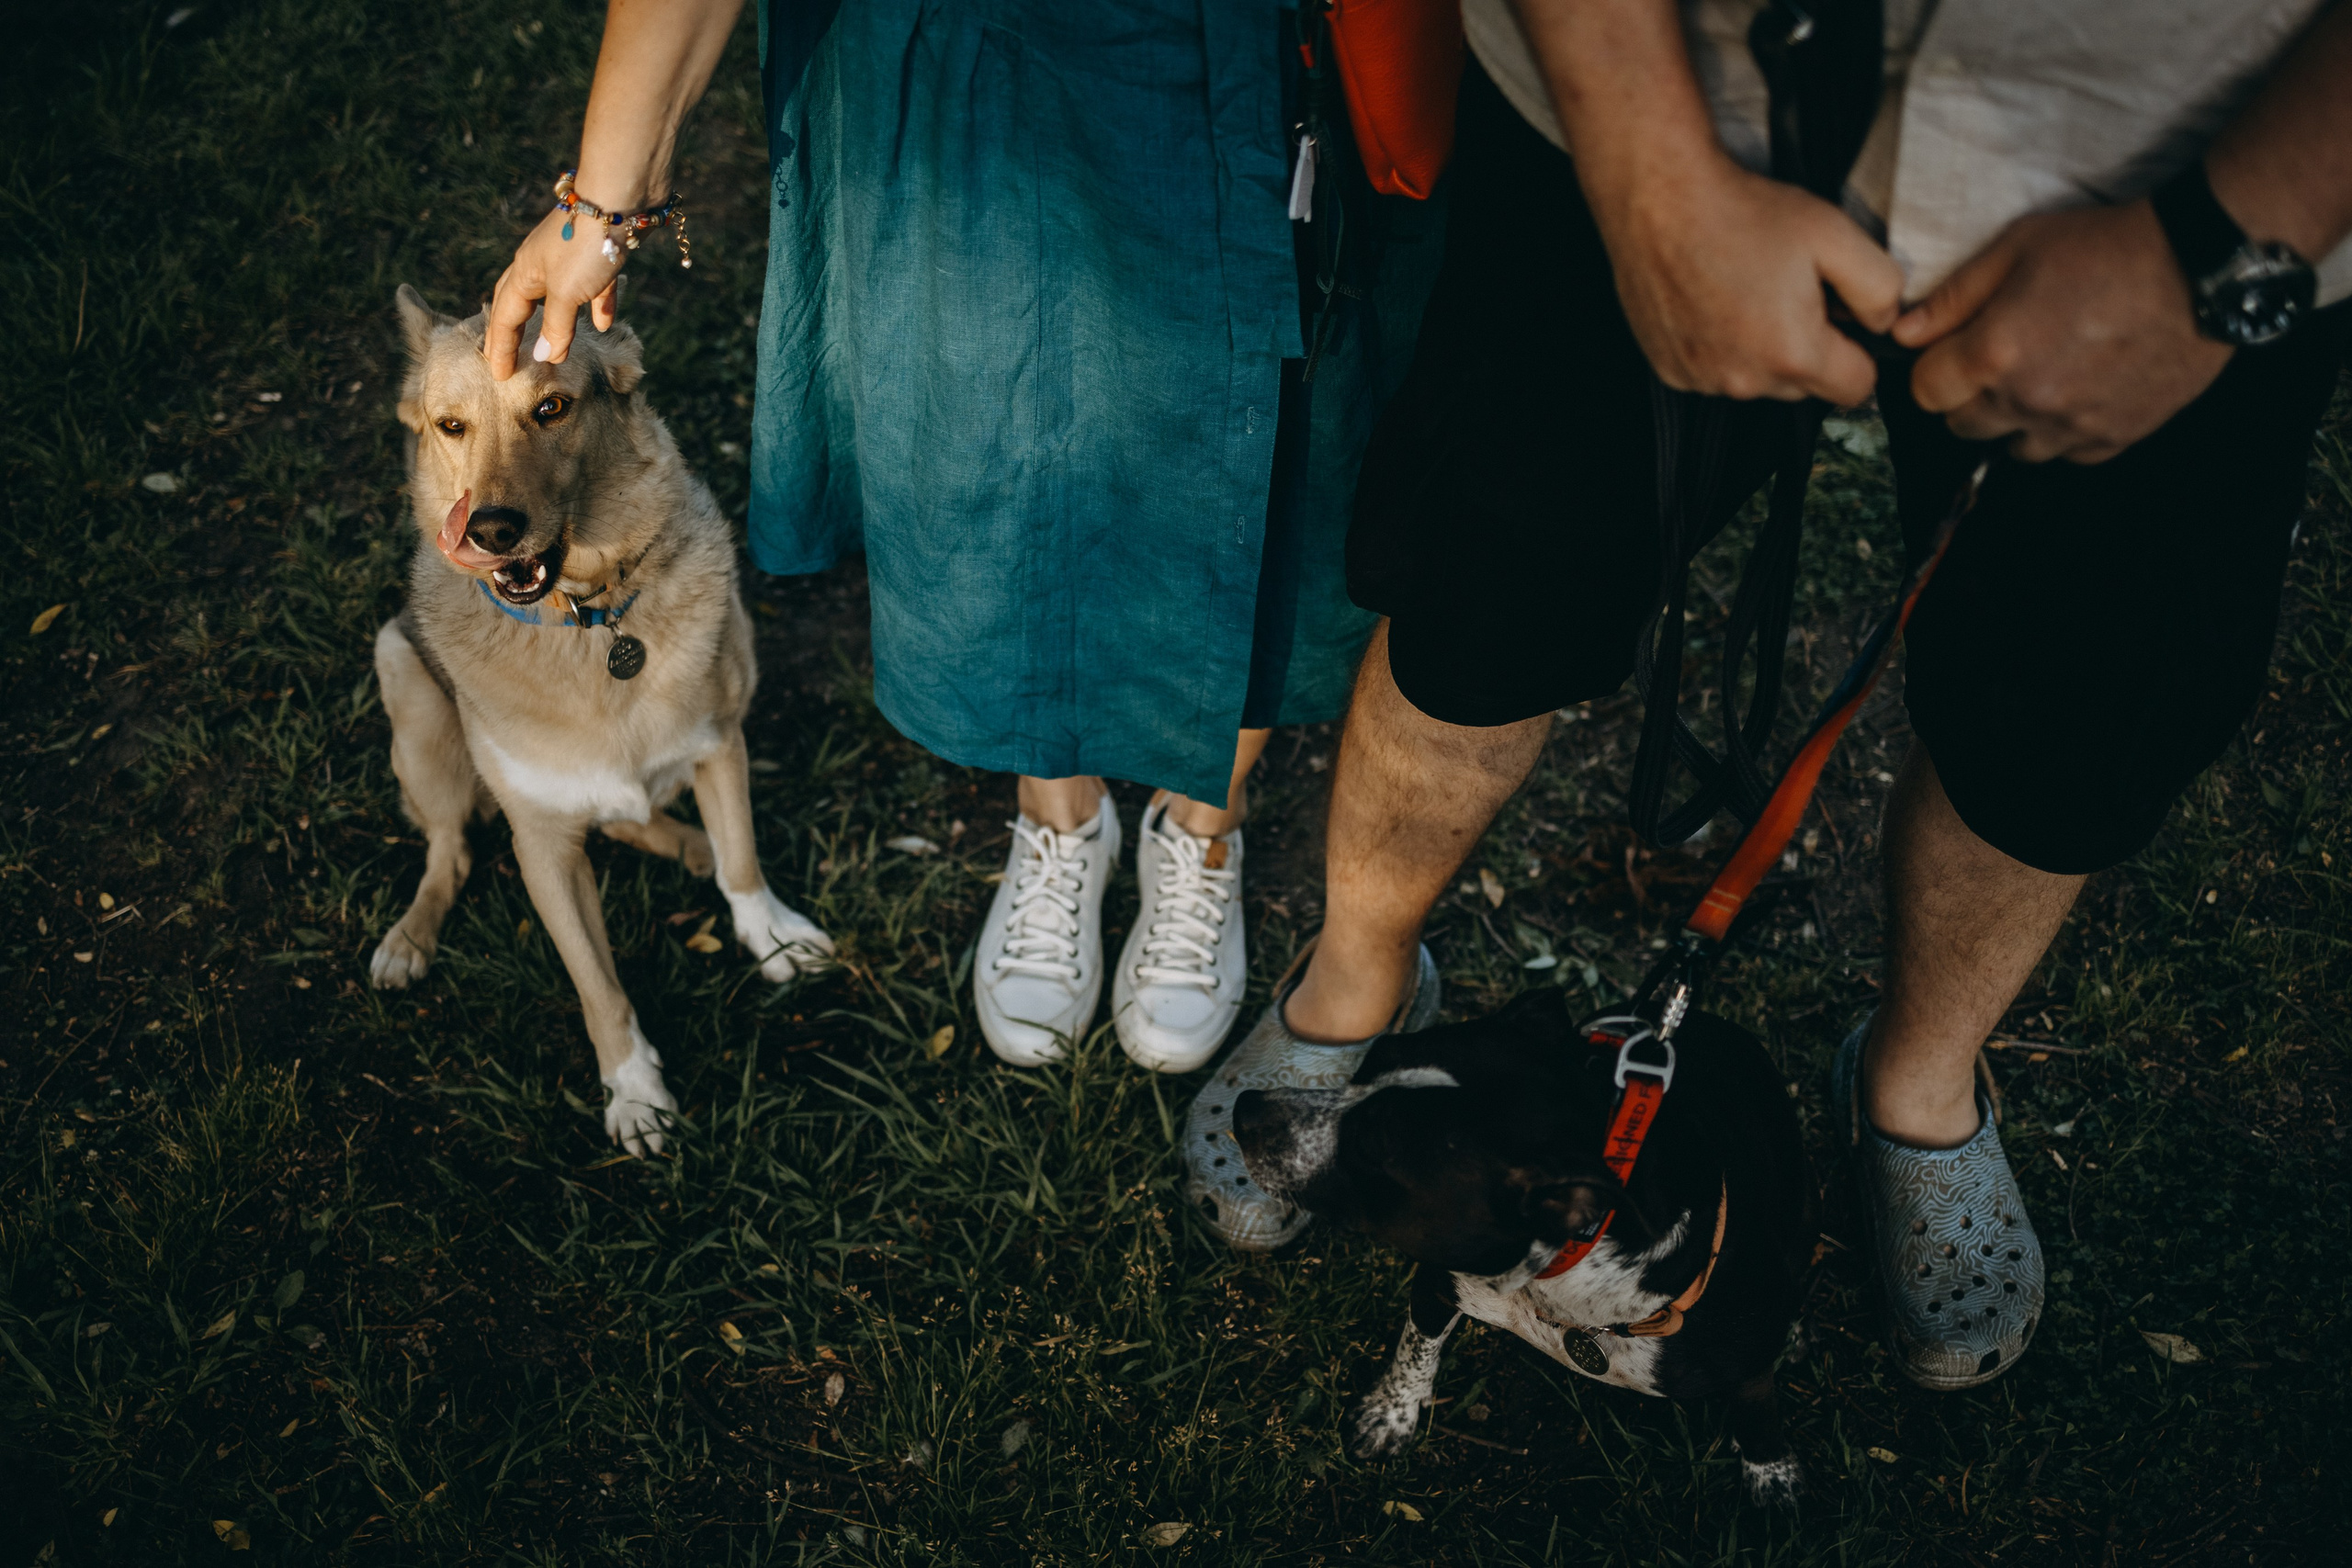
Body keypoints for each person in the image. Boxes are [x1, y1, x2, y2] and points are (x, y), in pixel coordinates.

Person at [1186, 0, 2352, 1392]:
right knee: (1482, 592)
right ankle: (1357, 974)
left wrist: (2220, 247)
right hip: (1647, 89)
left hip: (2181, 170)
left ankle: (1918, 1090)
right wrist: (1643, 158)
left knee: (2073, 722)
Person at [484, 1, 1443, 1074]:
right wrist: (602, 203)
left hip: (1257, 47)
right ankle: (1061, 814)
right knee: (994, 426)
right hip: (962, 50)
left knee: (1268, 438)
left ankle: (1203, 823)